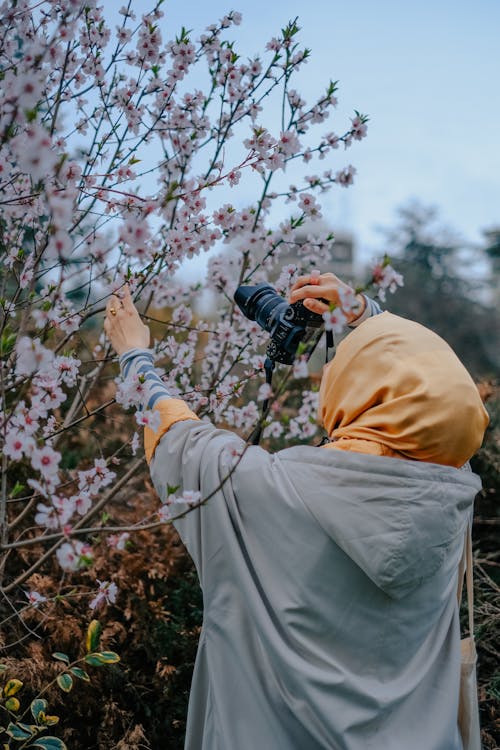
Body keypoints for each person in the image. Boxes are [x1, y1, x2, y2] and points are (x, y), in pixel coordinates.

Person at [104, 272, 489, 750]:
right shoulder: (451, 492)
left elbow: (182, 443)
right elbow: (440, 409)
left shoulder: (274, 488)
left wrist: (135, 355)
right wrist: (364, 313)